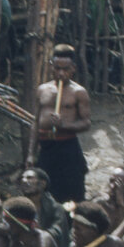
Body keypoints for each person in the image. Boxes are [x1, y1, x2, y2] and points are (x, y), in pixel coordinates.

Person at [32, 44, 91, 204]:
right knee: (43, 190)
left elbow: (86, 123)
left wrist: (63, 125)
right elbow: (35, 123)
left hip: (68, 148)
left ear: (73, 68)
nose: (61, 73)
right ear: (51, 66)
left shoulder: (79, 92)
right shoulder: (42, 89)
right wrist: (31, 153)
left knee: (72, 193)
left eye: (65, 69)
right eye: (57, 68)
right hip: (46, 147)